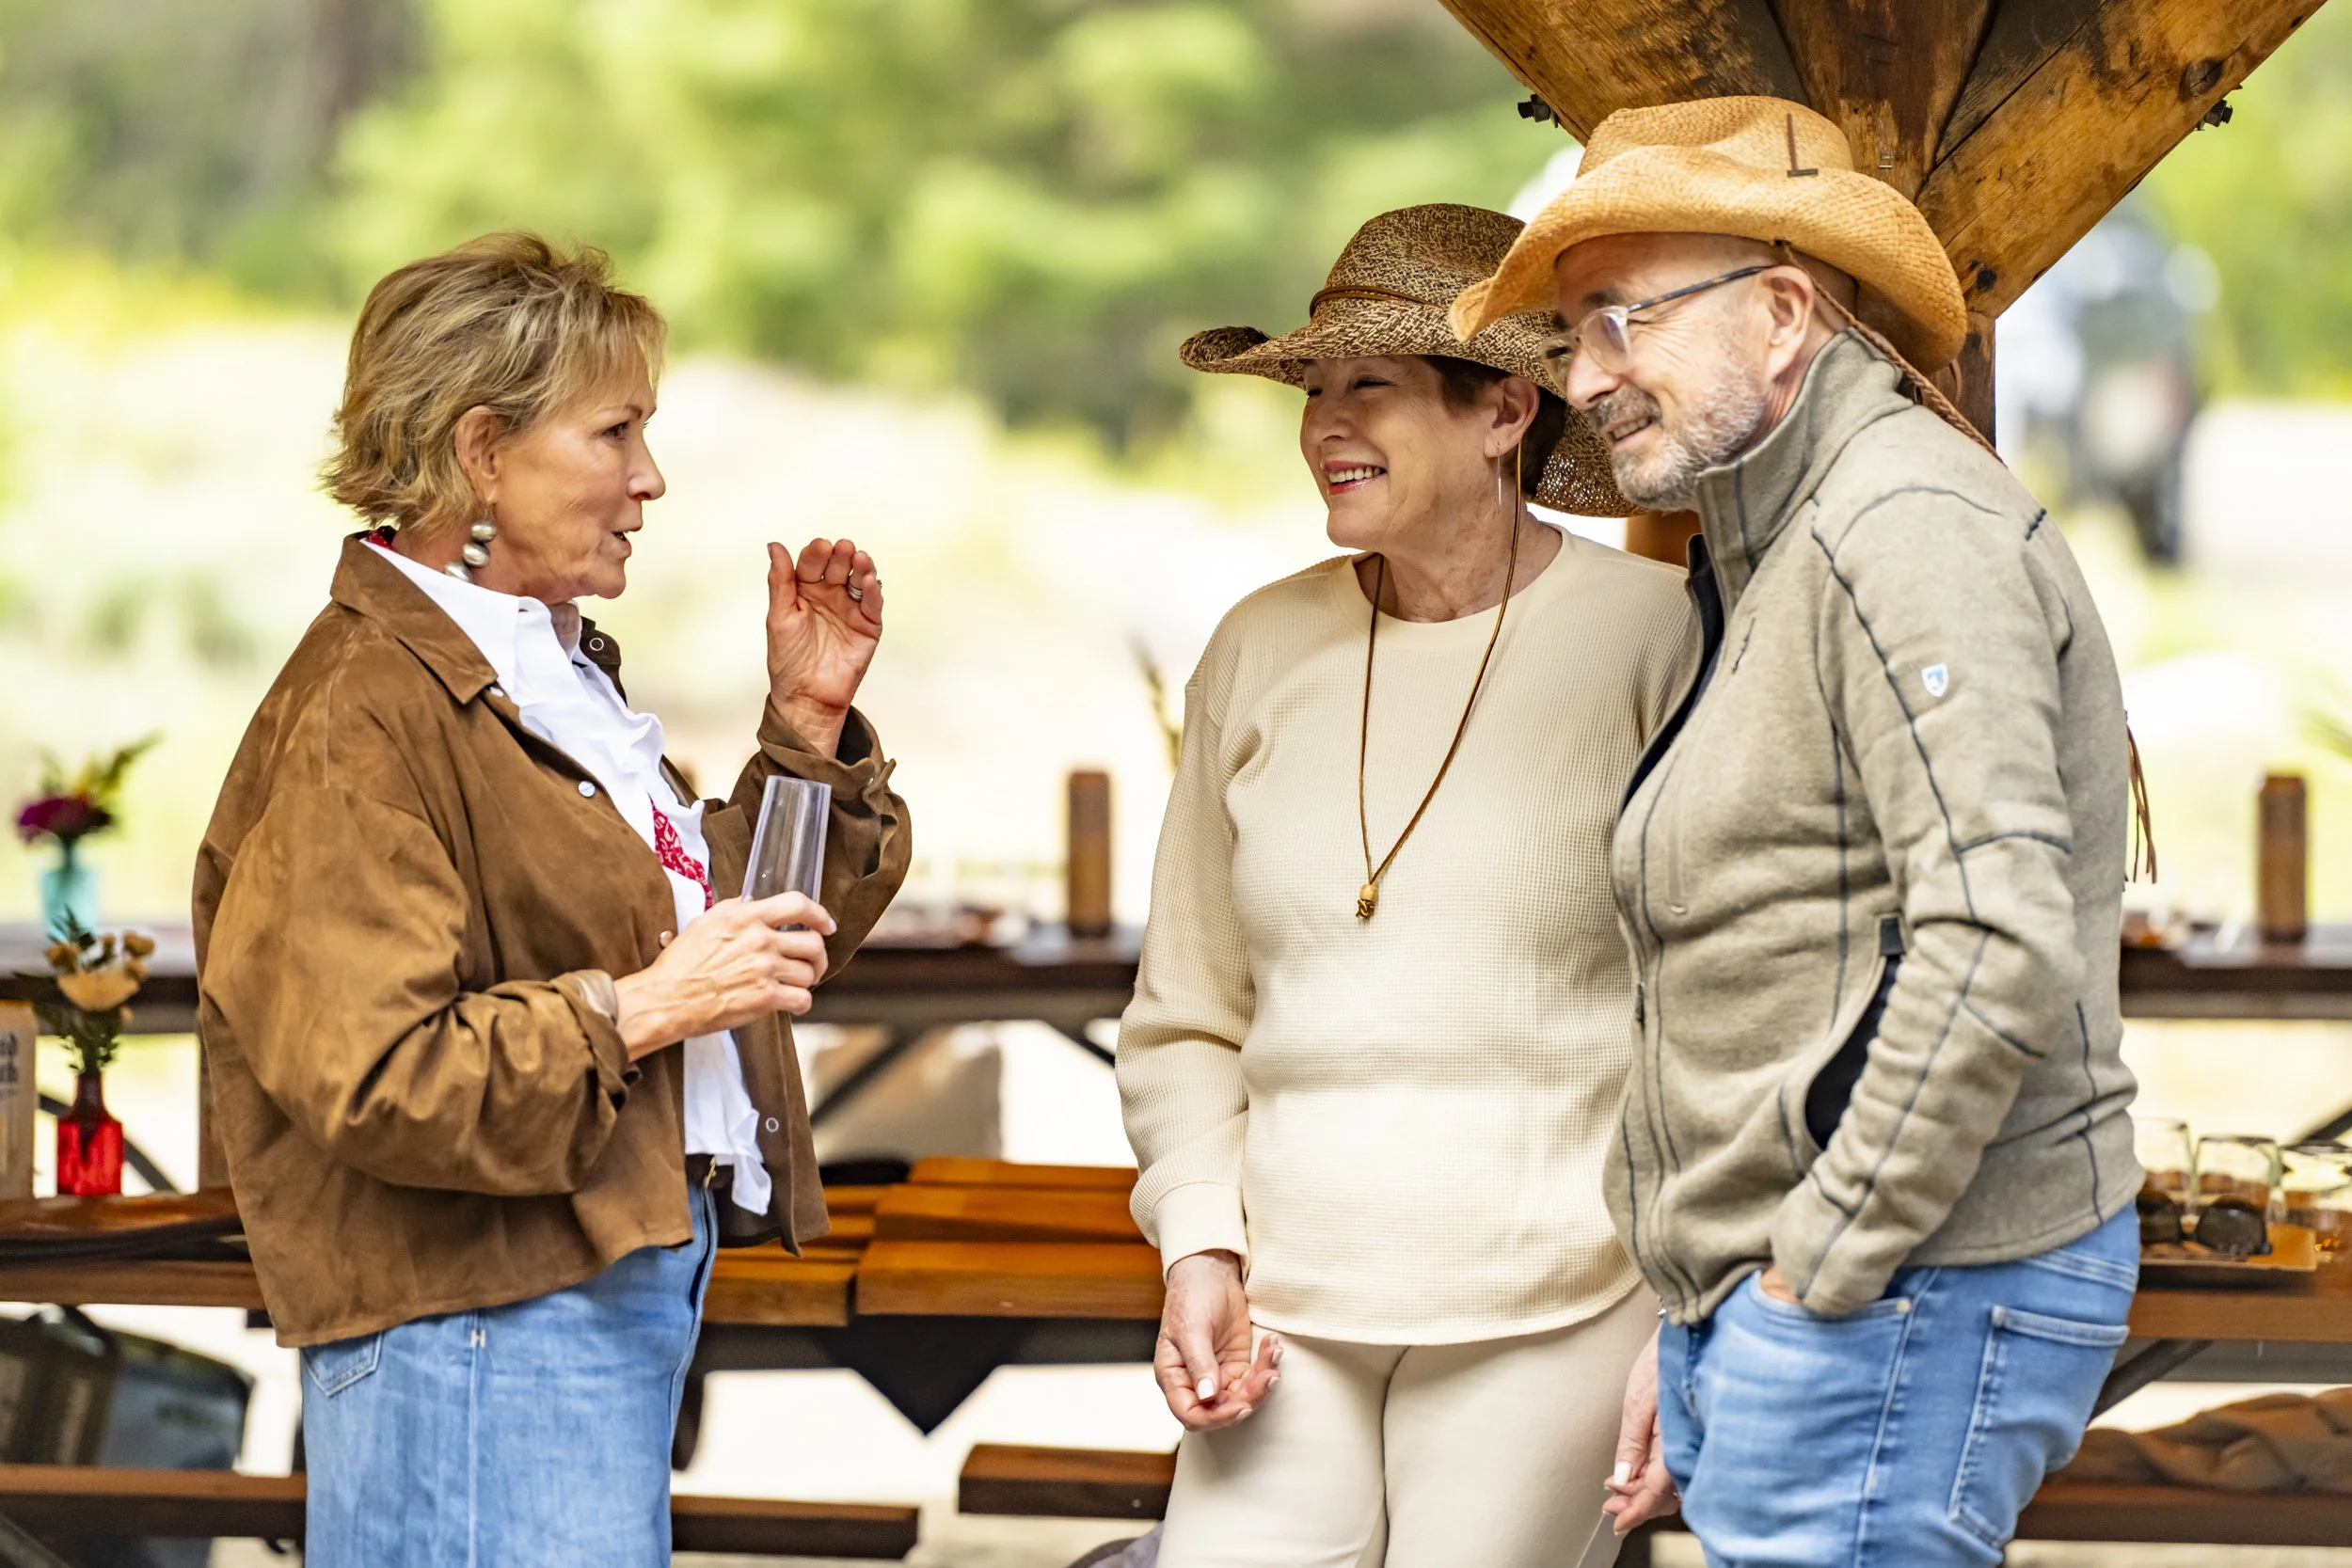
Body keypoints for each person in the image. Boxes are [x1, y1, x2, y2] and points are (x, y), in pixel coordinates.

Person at [1452, 97, 2142, 1566]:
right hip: (1823, 1295)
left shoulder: (1898, 526)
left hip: (1899, 1289)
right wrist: (1714, 1300)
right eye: (1575, 334)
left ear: (1780, 314)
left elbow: (1991, 937)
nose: (1583, 377)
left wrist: (1807, 1275)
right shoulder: (1772, 542)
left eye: (1618, 320)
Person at [192, 232, 911, 1565]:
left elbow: (732, 954)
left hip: (558, 1300)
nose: (650, 478)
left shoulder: (542, 673)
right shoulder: (364, 712)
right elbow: (377, 1073)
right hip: (475, 1327)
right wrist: (638, 1007)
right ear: (481, 452)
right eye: (615, 430)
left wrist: (808, 734)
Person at [1119, 204, 1696, 1568]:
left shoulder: (1656, 643)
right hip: (1289, 1298)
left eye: (1367, 382)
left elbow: (1719, 1007)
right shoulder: (1257, 648)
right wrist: (1200, 1244)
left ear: (1504, 411)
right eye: (1312, 389)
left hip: (1557, 1296)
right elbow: (1187, 1006)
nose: (1324, 422)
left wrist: (1695, 1305)